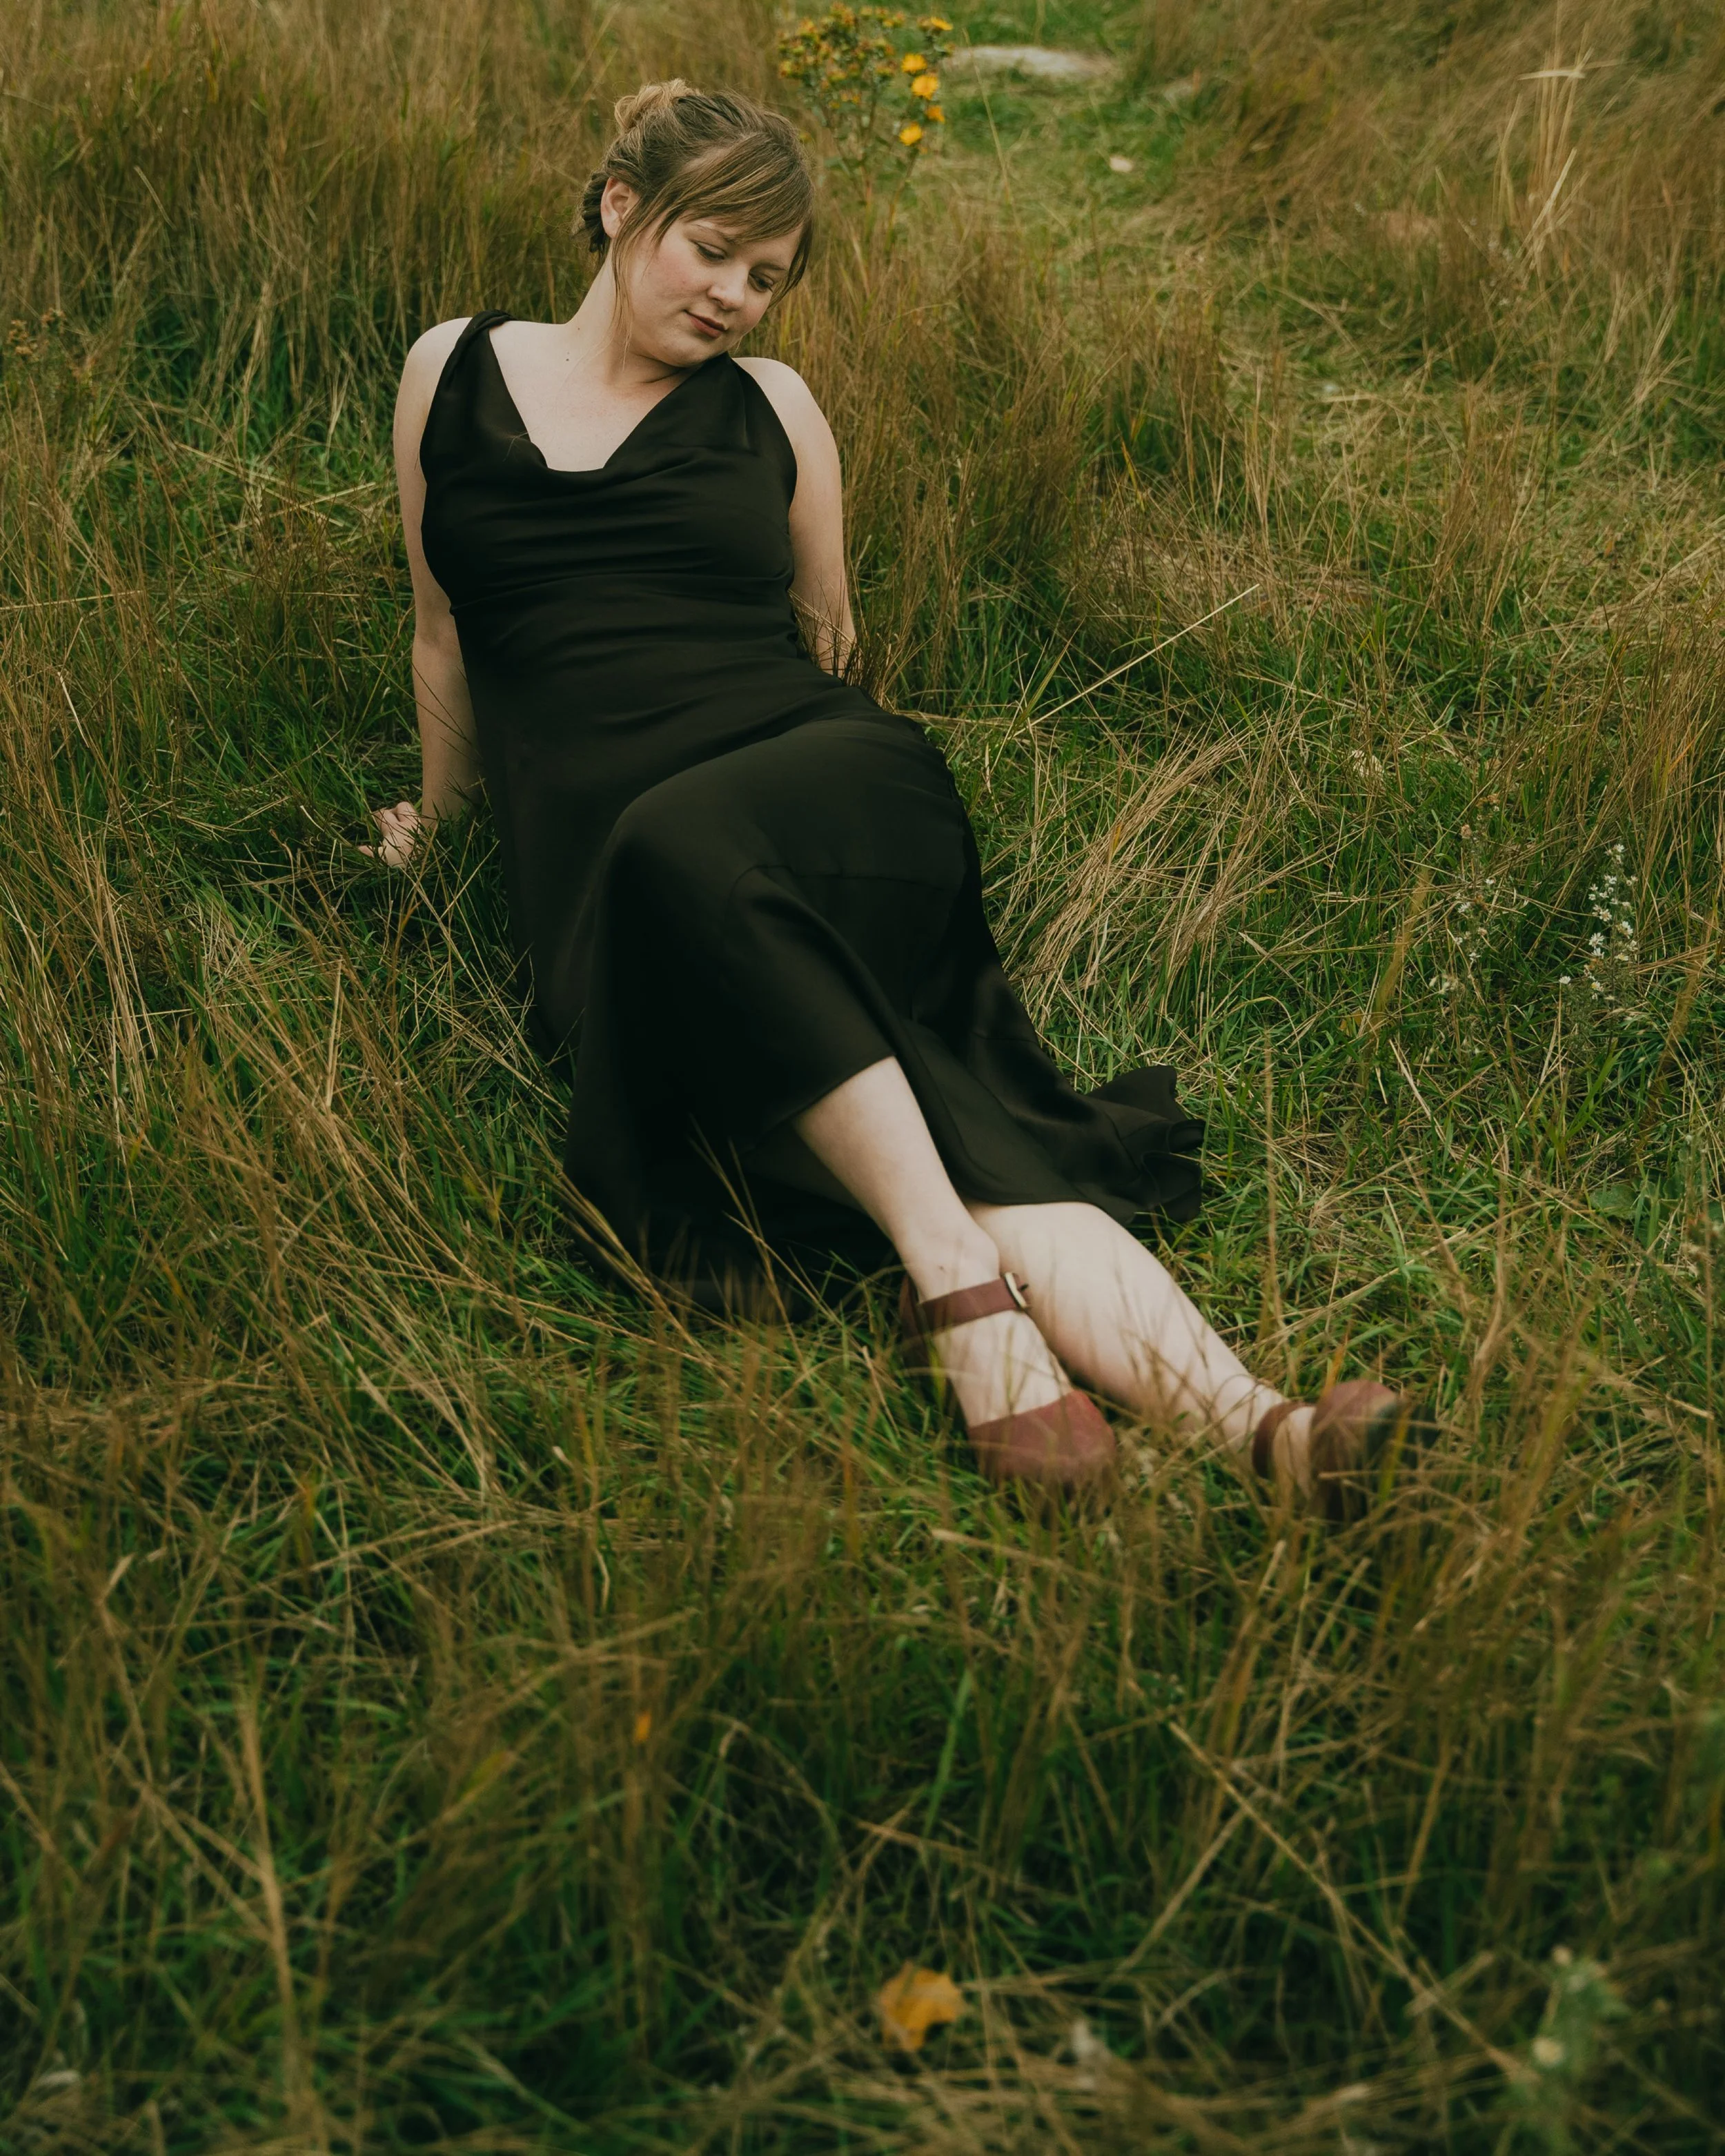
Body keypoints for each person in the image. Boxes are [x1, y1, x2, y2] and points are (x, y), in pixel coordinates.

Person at [374, 79, 1414, 1501]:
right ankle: (1267, 1431)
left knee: (692, 839)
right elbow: (445, 636)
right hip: (614, 872)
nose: (737, 296)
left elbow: (828, 643)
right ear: (623, 209)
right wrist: (437, 826)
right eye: (712, 252)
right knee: (950, 1121)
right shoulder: (452, 367)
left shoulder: (773, 410)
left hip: (821, 791)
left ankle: (954, 1294)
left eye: (766, 277)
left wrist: (769, 800)